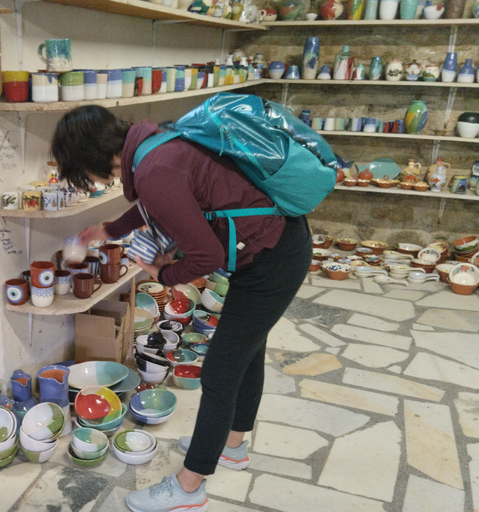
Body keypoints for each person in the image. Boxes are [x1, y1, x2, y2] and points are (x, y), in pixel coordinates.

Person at [51, 105, 312, 512]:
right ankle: (233, 447)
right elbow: (160, 202)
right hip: (272, 247)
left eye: (83, 173)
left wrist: (162, 271)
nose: (91, 182)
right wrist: (109, 230)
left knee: (221, 370)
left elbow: (203, 256)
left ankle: (188, 488)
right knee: (247, 353)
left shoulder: (152, 171)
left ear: (91, 158)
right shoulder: (156, 142)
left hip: (270, 258)